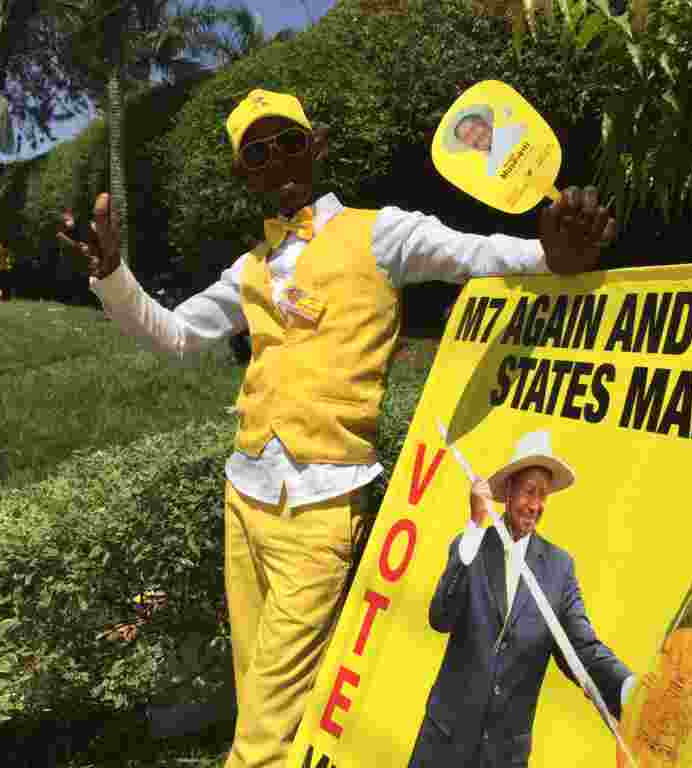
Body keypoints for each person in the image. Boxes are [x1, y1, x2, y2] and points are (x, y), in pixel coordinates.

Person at [60, 89, 618, 768]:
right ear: (245, 173)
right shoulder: (251, 268)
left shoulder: (378, 232)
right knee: (263, 698)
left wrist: (550, 255)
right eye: (258, 152)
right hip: (245, 499)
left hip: (320, 511)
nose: (278, 160)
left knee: (260, 735)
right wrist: (114, 278)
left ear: (316, 146)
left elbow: (472, 253)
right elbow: (174, 334)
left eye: (289, 141)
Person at [408, 430, 635, 768]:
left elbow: (582, 648)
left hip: (503, 757)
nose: (535, 505)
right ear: (509, 490)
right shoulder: (472, 546)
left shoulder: (559, 569)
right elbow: (440, 617)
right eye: (529, 492)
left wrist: (630, 692)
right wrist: (474, 524)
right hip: (445, 744)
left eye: (543, 496)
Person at [443, 104, 528, 177]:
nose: (475, 137)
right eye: (467, 137)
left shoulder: (520, 131)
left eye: (474, 128)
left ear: (484, 122)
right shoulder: (491, 171)